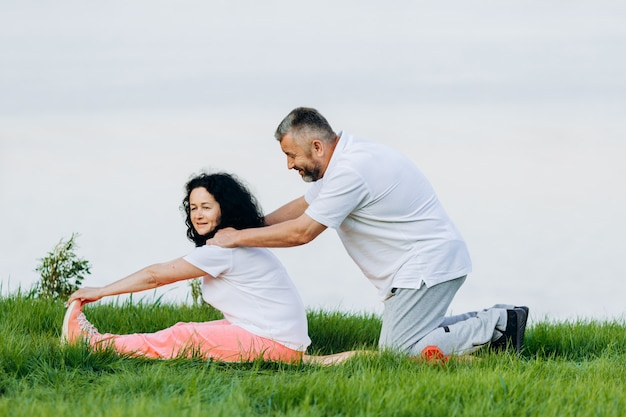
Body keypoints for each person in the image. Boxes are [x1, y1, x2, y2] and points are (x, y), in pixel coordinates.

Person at [206, 107, 528, 360]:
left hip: (426, 266)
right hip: (423, 264)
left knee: (398, 353)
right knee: (411, 342)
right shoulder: (342, 161)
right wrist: (253, 225)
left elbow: (302, 233)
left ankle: (498, 325)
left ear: (317, 146)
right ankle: (500, 321)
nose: (290, 165)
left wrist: (236, 238)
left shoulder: (350, 171)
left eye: (292, 155)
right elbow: (303, 206)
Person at [62, 172, 312, 363]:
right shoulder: (240, 240)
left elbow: (155, 277)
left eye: (206, 207)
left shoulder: (224, 250)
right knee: (183, 332)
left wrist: (101, 291)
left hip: (274, 344)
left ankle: (94, 346)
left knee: (182, 338)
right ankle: (99, 343)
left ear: (225, 209)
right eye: (193, 208)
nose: (198, 215)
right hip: (278, 340)